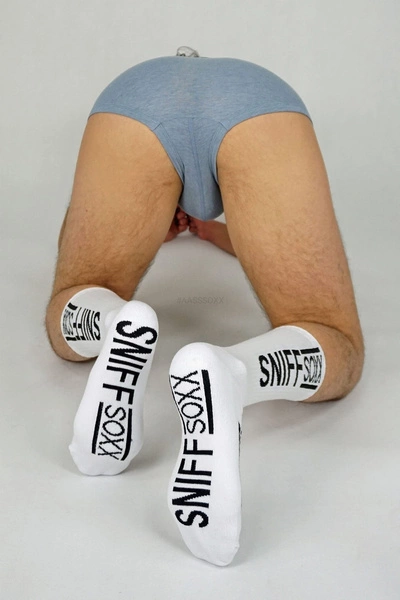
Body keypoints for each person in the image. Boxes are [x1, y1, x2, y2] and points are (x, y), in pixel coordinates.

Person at [45, 47, 365, 567]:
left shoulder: (142, 87)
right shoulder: (251, 89)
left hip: (134, 99)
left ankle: (114, 324)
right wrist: (225, 231)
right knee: (333, 337)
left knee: (78, 291)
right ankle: (235, 372)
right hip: (258, 101)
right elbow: (276, 245)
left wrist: (146, 226)